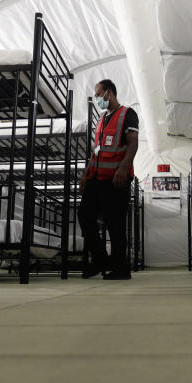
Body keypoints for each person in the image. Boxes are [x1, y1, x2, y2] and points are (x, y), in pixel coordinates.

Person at [77, 79, 139, 280]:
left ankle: (121, 269)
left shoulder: (127, 114)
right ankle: (100, 259)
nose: (97, 99)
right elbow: (96, 150)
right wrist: (86, 173)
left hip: (115, 180)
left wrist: (123, 169)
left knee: (115, 224)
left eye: (98, 94)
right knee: (85, 216)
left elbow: (133, 144)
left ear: (109, 93)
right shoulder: (102, 119)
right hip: (95, 179)